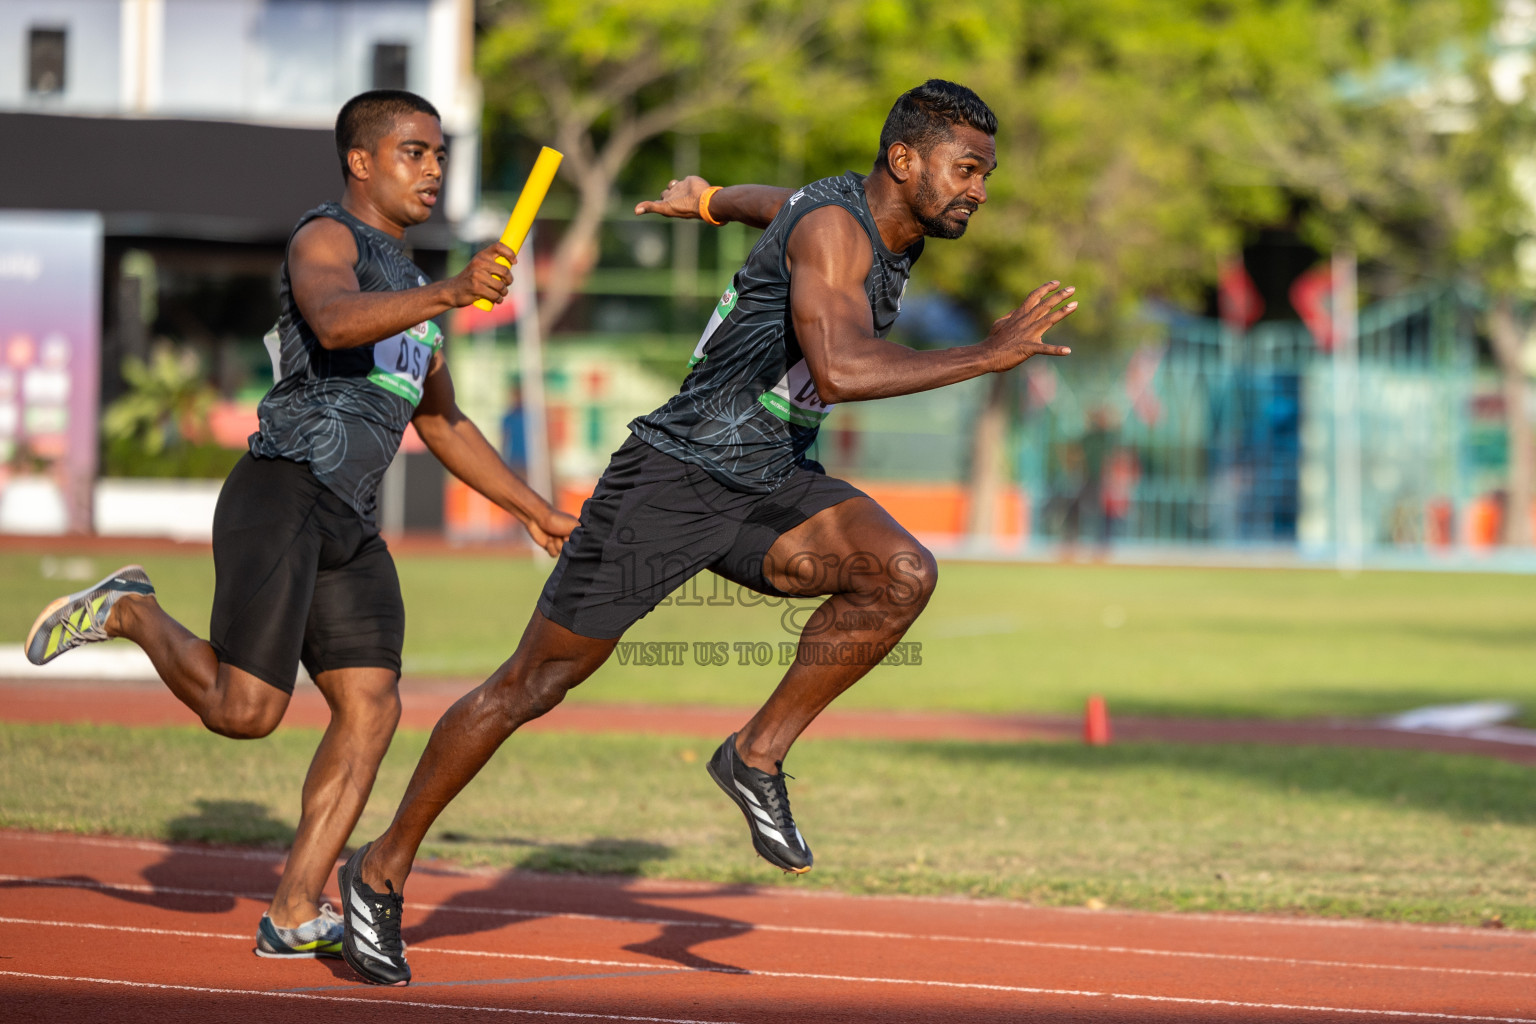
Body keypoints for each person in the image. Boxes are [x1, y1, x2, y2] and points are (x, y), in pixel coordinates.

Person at [335, 79, 1077, 987]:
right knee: (535, 682)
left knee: (899, 575)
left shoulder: (873, 221)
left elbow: (783, 203)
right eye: (967, 170)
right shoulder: (838, 230)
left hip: (769, 480)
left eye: (986, 175)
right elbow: (839, 369)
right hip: (673, 479)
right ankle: (378, 871)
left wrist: (713, 200)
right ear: (904, 160)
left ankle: (755, 755)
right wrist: (986, 355)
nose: (979, 191)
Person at [24, 90, 575, 961]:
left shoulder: (419, 291)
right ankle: (131, 608)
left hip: (350, 520)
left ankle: (292, 908)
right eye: (413, 152)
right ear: (361, 161)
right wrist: (450, 291)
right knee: (245, 713)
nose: (432, 168)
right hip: (282, 490)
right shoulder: (326, 238)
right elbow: (331, 317)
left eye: (438, 155)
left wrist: (538, 511)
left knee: (372, 706)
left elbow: (442, 424)